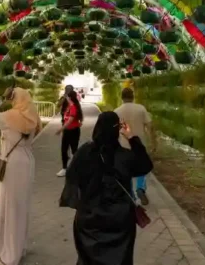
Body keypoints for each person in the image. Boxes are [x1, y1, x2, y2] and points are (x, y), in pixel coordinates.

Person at [60, 111, 154, 265]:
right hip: (120, 220)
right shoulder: (125, 157)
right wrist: (131, 137)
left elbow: (71, 176)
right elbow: (146, 165)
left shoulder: (84, 153)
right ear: (117, 130)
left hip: (89, 219)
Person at [0, 87, 42, 265]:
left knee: (9, 207)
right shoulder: (33, 117)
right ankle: (18, 248)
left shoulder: (9, 117)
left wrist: (1, 97)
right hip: (27, 161)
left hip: (11, 164)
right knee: (21, 206)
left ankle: (8, 254)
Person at [114, 87, 153, 205]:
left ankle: (130, 194)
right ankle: (140, 188)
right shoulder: (141, 109)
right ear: (133, 96)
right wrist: (153, 141)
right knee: (142, 167)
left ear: (122, 97)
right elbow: (150, 126)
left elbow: (115, 130)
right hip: (139, 144)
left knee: (127, 170)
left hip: (124, 145)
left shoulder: (117, 111)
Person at [56, 85, 84, 177]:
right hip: (67, 130)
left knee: (74, 150)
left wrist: (61, 129)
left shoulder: (74, 106)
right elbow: (59, 107)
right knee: (64, 149)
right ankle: (65, 168)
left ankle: (77, 168)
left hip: (73, 131)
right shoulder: (66, 104)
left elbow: (71, 119)